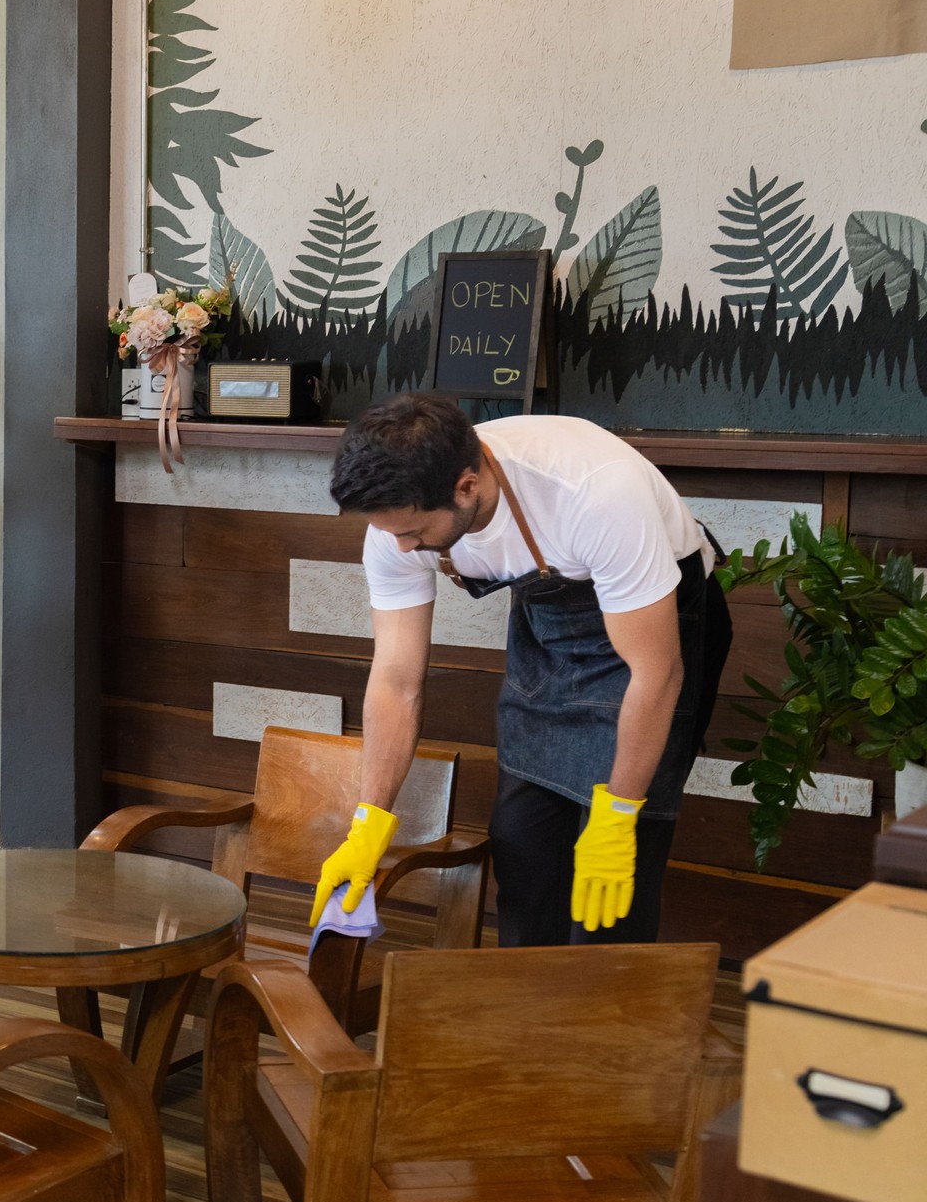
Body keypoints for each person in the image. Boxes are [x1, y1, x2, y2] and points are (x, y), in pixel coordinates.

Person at [314, 394, 732, 946]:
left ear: (466, 487)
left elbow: (656, 674)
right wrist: (369, 823)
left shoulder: (594, 494)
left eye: (413, 532)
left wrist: (617, 816)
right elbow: (396, 679)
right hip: (551, 633)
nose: (403, 547)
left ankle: (607, 1000)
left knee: (610, 898)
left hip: (656, 638)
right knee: (523, 853)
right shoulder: (399, 521)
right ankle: (524, 999)